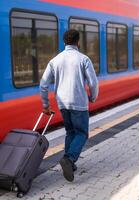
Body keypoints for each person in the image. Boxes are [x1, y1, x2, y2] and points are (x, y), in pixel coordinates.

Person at [40, 29, 99, 182]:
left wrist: (46, 105)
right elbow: (93, 83)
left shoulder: (54, 61)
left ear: (64, 42)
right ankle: (69, 159)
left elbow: (43, 84)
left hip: (62, 103)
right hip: (79, 103)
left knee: (70, 132)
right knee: (81, 133)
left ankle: (69, 163)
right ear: (78, 42)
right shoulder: (84, 59)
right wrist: (93, 97)